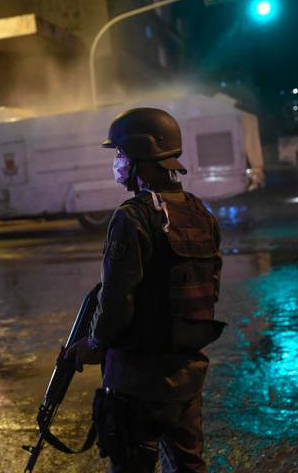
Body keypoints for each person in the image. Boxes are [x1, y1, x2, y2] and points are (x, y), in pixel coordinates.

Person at [66, 108, 225, 473]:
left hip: (137, 382)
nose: (118, 163)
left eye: (120, 154)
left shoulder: (132, 217)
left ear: (142, 158)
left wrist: (93, 345)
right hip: (186, 375)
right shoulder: (201, 213)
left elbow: (116, 301)